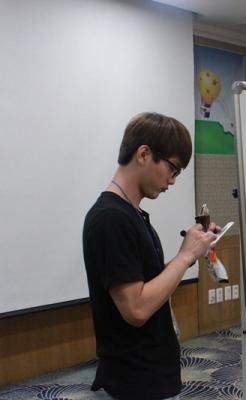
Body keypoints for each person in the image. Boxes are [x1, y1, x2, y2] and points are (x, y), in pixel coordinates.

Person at [82, 112, 217, 400]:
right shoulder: (111, 219)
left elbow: (146, 282)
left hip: (151, 373)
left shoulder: (131, 214)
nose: (173, 181)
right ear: (144, 154)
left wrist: (189, 252)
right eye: (173, 169)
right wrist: (184, 257)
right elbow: (137, 309)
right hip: (136, 381)